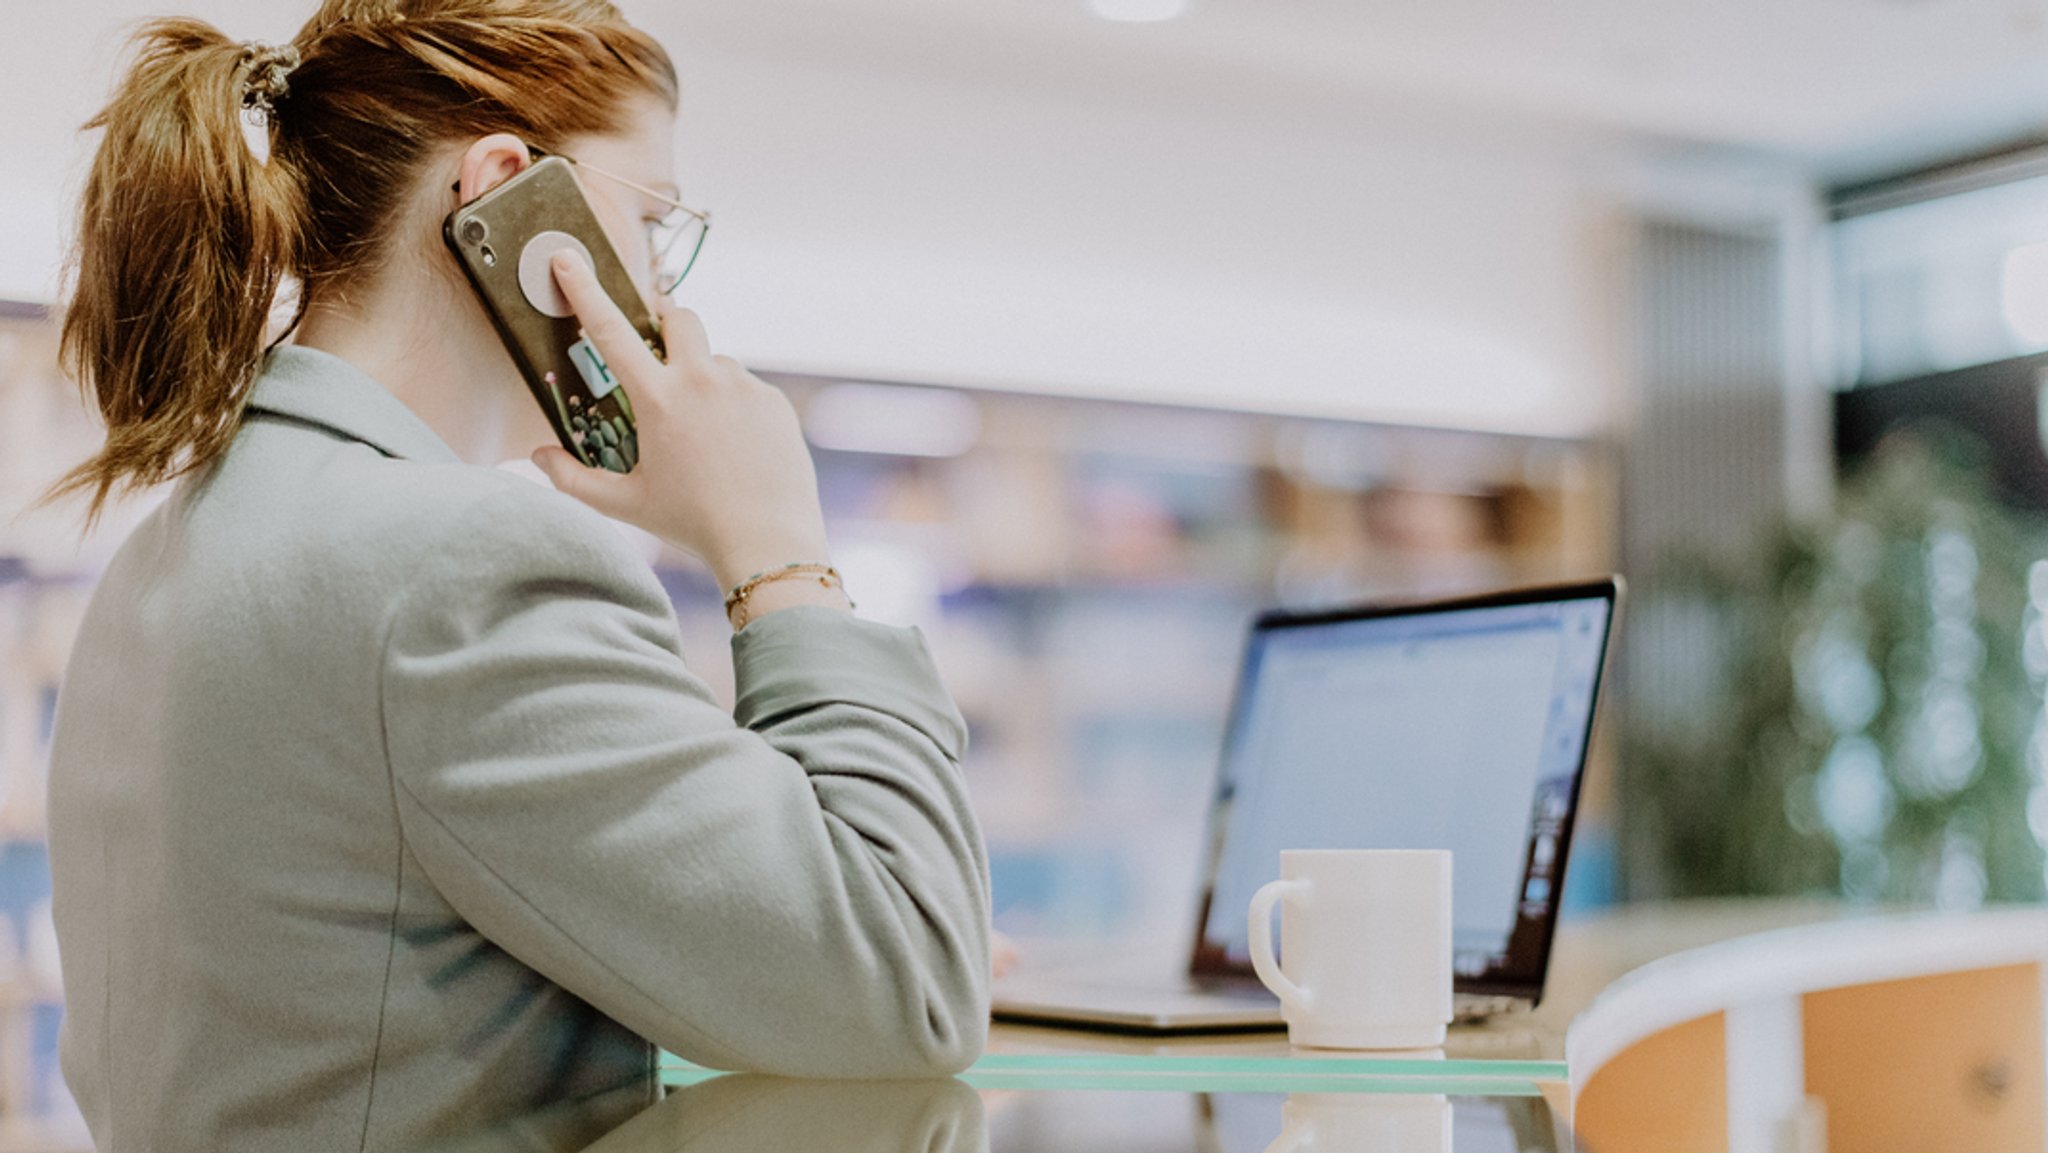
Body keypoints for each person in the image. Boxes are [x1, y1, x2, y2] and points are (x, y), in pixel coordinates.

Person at [43, 2, 992, 1150]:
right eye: (652, 219)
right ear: (502, 188)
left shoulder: (180, 541)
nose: (658, 285)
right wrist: (777, 547)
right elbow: (907, 988)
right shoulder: (455, 562)